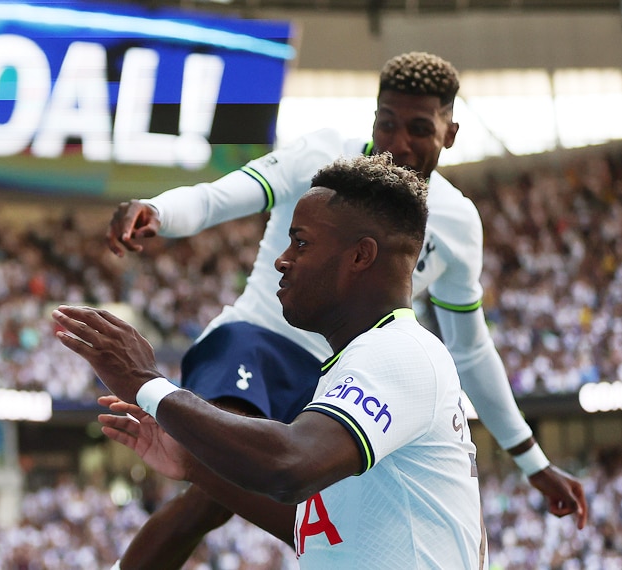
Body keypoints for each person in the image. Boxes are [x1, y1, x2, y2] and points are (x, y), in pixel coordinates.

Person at [105, 52, 585, 568]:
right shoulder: (323, 158)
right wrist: (160, 211)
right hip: (258, 340)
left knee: (321, 521)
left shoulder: (456, 224)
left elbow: (471, 350)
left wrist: (530, 460)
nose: (398, 143)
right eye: (387, 122)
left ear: (450, 132)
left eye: (419, 128)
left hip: (341, 375)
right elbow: (223, 194)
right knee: (219, 483)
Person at [56, 153, 484, 567]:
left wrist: (147, 384)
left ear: (360, 256)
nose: (283, 259)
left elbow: (289, 465)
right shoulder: (361, 361)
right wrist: (195, 464)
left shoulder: (399, 350)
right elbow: (319, 527)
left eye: (301, 242)